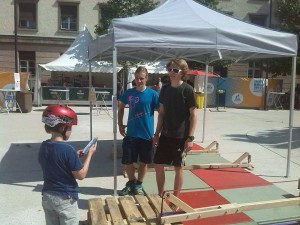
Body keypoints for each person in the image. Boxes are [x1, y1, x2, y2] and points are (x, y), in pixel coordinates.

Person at [39, 104, 97, 225]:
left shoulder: (43, 146)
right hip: (65, 198)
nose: (71, 131)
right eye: (70, 127)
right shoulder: (67, 149)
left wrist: (74, 156)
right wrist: (90, 154)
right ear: (62, 128)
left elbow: (55, 161)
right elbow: (81, 175)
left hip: (47, 196)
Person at [153, 59, 197, 199]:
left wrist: (190, 138)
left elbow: (193, 115)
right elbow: (161, 113)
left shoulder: (188, 90)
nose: (171, 72)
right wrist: (156, 134)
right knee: (158, 165)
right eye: (170, 69)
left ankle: (176, 198)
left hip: (180, 136)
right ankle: (161, 195)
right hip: (165, 135)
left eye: (175, 70)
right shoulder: (165, 89)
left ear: (182, 72)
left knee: (178, 168)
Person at [118, 66, 159, 195]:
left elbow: (162, 113)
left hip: (146, 135)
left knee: (144, 162)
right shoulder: (129, 93)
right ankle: (131, 183)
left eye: (141, 78)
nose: (139, 81)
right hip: (131, 133)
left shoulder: (153, 94)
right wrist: (120, 124)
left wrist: (157, 133)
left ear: (146, 78)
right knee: (128, 161)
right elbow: (120, 108)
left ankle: (139, 185)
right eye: (136, 78)